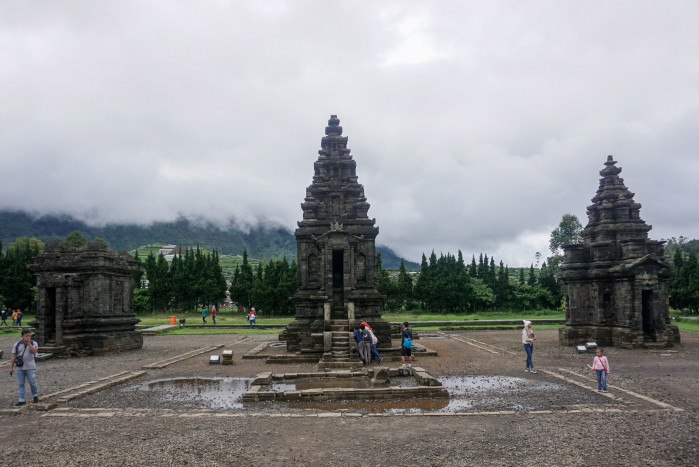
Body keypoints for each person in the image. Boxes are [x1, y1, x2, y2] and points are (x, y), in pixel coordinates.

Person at [9, 329, 39, 406]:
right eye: (26, 336)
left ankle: (35, 395)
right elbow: (13, 356)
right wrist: (11, 367)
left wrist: (29, 344)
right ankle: (21, 399)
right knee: (21, 383)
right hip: (20, 367)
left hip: (30, 367)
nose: (28, 337)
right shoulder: (17, 344)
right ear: (22, 336)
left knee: (32, 382)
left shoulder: (34, 343)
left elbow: (35, 351)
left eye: (29, 336)